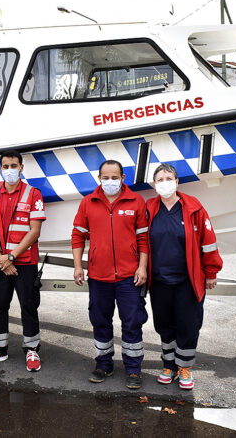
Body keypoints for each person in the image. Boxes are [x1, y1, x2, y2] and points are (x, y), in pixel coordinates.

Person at [71, 160, 149, 390]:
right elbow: (77, 237)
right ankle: (103, 364)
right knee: (100, 321)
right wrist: (78, 266)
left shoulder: (136, 201)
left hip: (129, 277)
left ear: (123, 178)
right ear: (99, 178)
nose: (110, 182)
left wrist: (142, 267)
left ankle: (133, 369)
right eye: (106, 177)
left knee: (132, 322)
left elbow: (144, 239)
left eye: (115, 177)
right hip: (98, 277)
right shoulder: (88, 202)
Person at [146, 163, 223, 390]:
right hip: (159, 281)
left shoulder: (194, 208)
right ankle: (168, 365)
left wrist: (211, 272)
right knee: (164, 324)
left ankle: (185, 367)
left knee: (188, 325)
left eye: (168, 178)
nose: (164, 182)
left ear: (177, 182)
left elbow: (208, 243)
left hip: (188, 281)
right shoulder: (149, 208)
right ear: (154, 184)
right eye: (159, 179)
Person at [0, 150, 46, 372]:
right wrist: (0, 258)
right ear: (1, 168)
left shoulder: (33, 194)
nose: (10, 170)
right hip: (0, 262)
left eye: (14, 166)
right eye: (6, 166)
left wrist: (11, 256)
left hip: (24, 262)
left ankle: (32, 349)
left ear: (21, 168)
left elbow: (34, 231)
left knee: (29, 306)